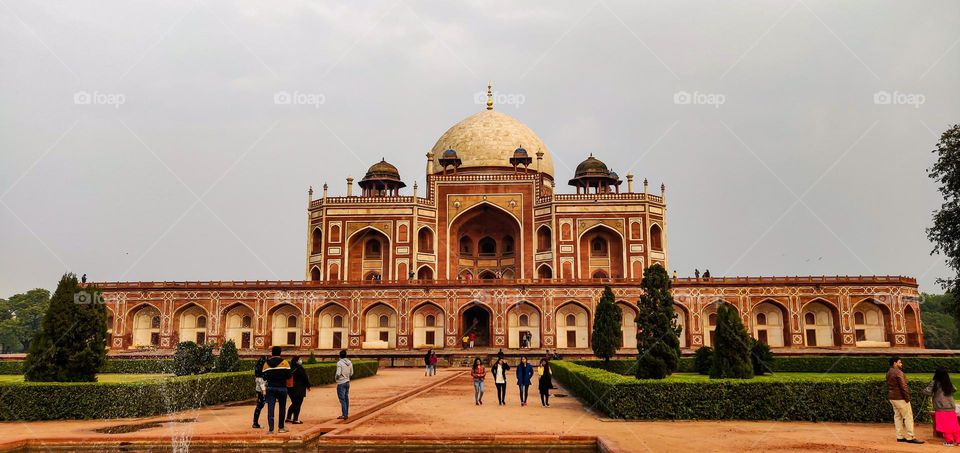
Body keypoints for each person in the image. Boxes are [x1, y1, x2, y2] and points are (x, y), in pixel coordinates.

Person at [886, 356, 924, 444]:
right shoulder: (898, 372)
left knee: (898, 417)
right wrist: (907, 398)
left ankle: (899, 436)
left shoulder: (889, 372)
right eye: (900, 362)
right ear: (895, 363)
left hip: (892, 397)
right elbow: (903, 387)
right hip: (900, 398)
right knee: (908, 417)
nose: (901, 364)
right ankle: (910, 437)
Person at [924, 366, 958, 445]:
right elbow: (954, 389)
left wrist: (923, 391)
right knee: (954, 424)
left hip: (941, 407)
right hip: (951, 406)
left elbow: (927, 392)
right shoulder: (948, 382)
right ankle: (958, 440)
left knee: (944, 425)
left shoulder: (935, 382)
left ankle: (949, 441)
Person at [262, 346, 292, 434]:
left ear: (272, 353)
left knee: (270, 408)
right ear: (280, 353)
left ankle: (271, 429)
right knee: (282, 408)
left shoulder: (266, 363)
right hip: (282, 387)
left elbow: (264, 376)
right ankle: (281, 428)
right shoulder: (285, 363)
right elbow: (289, 376)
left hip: (270, 388)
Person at [286, 355, 311, 425]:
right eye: (300, 359)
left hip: (290, 388)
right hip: (299, 388)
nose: (301, 360)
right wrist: (308, 386)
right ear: (297, 361)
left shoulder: (290, 368)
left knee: (294, 403)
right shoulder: (300, 368)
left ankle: (288, 418)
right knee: (298, 403)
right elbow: (305, 378)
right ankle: (295, 419)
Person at [336, 349, 353, 420]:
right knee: (346, 398)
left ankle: (344, 414)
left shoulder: (339, 363)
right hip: (347, 382)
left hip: (341, 383)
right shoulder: (350, 362)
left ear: (340, 356)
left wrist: (336, 378)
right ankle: (346, 413)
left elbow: (338, 373)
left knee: (342, 399)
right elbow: (351, 373)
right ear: (346, 355)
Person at [252, 356, 267, 429]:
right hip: (261, 391)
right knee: (259, 406)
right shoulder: (262, 371)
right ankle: (255, 423)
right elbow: (261, 382)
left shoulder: (257, 370)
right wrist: (264, 391)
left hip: (258, 391)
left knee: (259, 406)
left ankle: (255, 422)